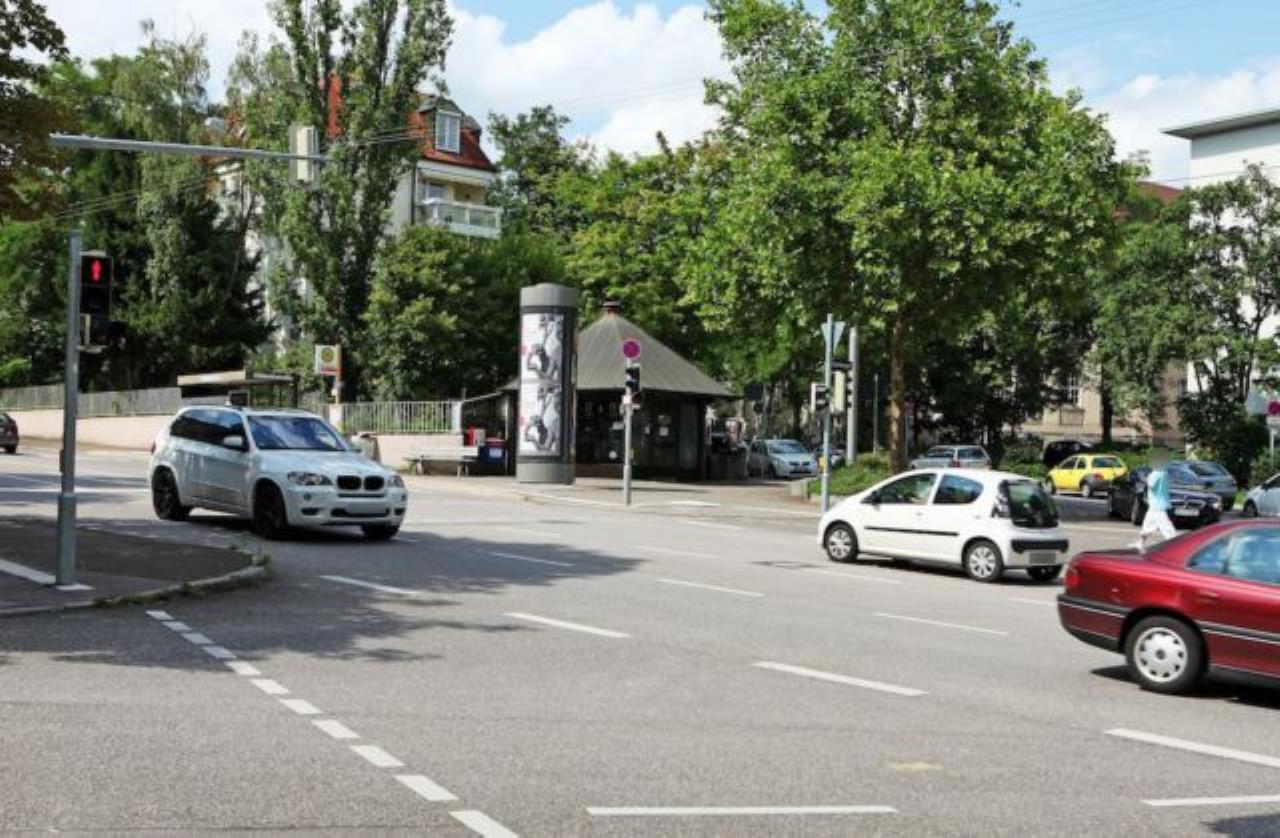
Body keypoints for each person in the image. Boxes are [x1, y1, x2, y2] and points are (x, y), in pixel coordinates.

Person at [1134, 449, 1176, 552]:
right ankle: (1140, 542)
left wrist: (1144, 479)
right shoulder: (1164, 473)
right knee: (1147, 524)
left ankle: (1176, 545)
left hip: (1157, 505)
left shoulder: (1156, 473)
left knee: (1166, 527)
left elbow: (1151, 485)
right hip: (1157, 504)